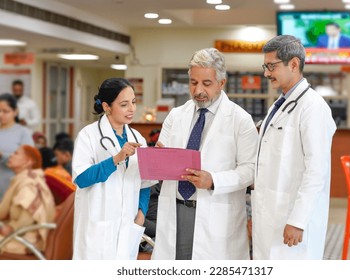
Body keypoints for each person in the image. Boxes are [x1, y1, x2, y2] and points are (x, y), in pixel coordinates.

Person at [152, 48, 258, 260]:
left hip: (215, 212)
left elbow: (251, 170)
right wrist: (157, 160)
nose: (198, 90)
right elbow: (161, 155)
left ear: (222, 83)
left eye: (206, 84)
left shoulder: (241, 120)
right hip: (176, 209)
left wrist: (213, 180)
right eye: (193, 82)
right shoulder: (175, 116)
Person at [252, 35, 336, 260]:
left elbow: (316, 171)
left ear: (294, 64)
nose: (266, 73)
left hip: (292, 221)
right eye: (265, 66)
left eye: (271, 66)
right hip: (269, 215)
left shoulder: (313, 108)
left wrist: (298, 220)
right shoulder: (279, 105)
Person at [72, 78, 154, 260]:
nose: (132, 109)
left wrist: (141, 213)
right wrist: (116, 159)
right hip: (97, 227)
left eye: (133, 102)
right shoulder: (88, 136)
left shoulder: (137, 136)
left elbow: (145, 182)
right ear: (107, 107)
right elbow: (82, 178)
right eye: (124, 104)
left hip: (128, 226)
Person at [0, 145, 56, 254]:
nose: (11, 155)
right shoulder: (26, 179)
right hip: (22, 237)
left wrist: (12, 227)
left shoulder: (29, 183)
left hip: (26, 241)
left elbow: (29, 214)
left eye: (16, 153)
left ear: (28, 162)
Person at [0, 93, 34, 200]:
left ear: (15, 111)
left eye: (5, 111)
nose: (1, 115)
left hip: (12, 190)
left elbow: (29, 160)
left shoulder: (23, 132)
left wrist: (2, 155)